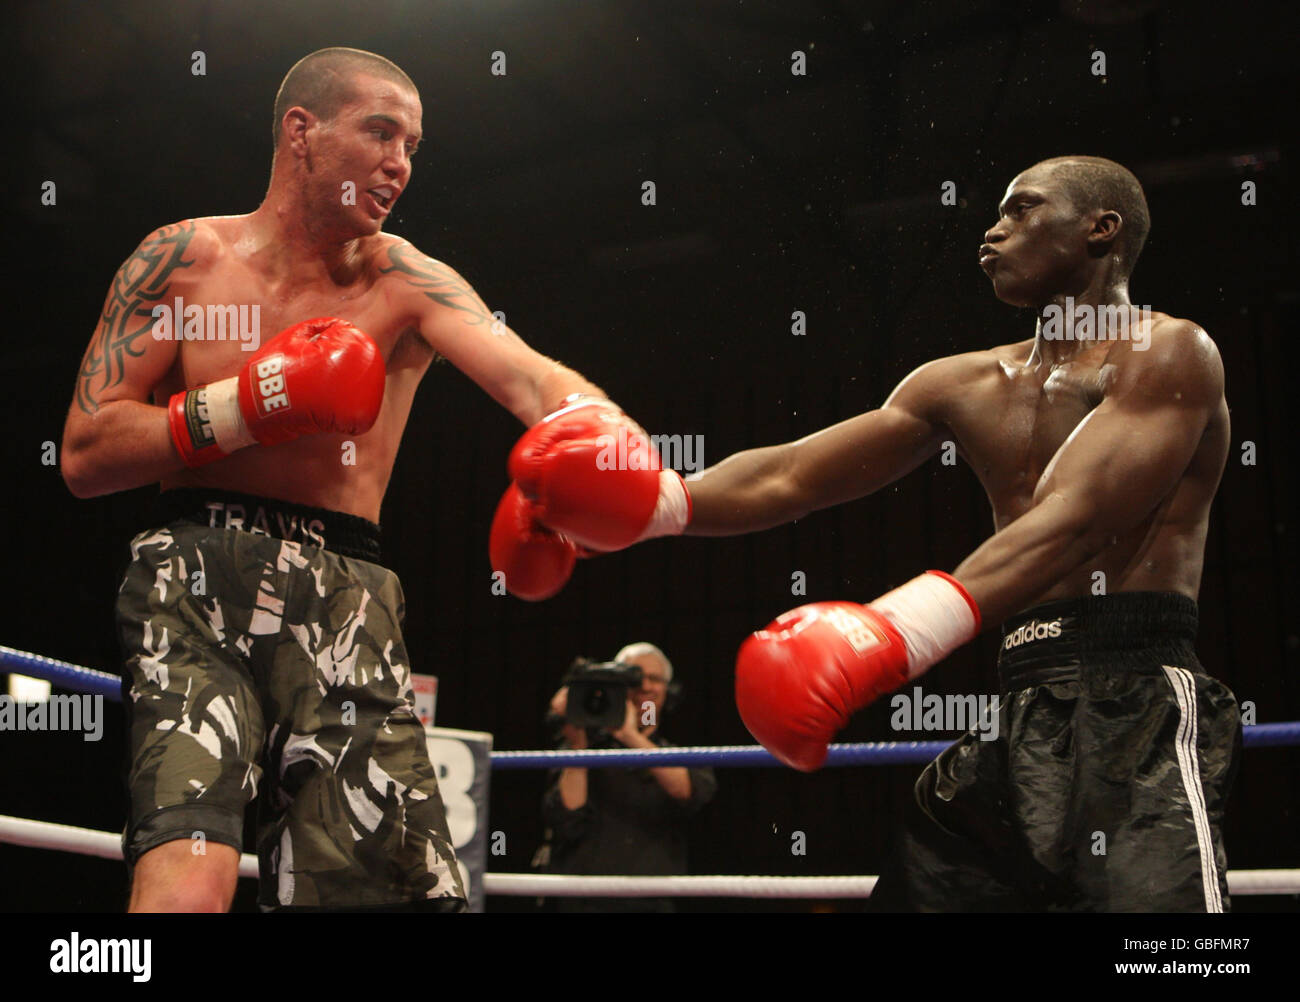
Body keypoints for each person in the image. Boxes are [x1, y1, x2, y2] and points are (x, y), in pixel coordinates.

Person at [517, 156, 1240, 912]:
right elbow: (794, 475)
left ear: (1101, 228)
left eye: (1022, 210)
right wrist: (643, 509)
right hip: (1021, 696)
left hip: (1137, 699)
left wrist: (895, 633)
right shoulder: (961, 383)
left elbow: (1079, 518)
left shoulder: (1170, 353)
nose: (993, 231)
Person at [59, 46, 666, 913]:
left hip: (347, 591)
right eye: (380, 132)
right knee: (188, 850)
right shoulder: (183, 259)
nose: (400, 164)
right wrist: (248, 408)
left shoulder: (402, 277)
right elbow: (85, 451)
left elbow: (531, 377)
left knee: (386, 892)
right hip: (193, 573)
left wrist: (604, 436)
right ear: (301, 133)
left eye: (413, 146)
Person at [539, 643, 716, 912]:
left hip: (649, 903)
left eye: (655, 679)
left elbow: (688, 792)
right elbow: (567, 819)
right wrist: (578, 745)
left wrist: (629, 735)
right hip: (579, 901)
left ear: (669, 691)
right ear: (617, 686)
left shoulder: (681, 755)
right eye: (634, 677)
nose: (645, 686)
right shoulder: (583, 748)